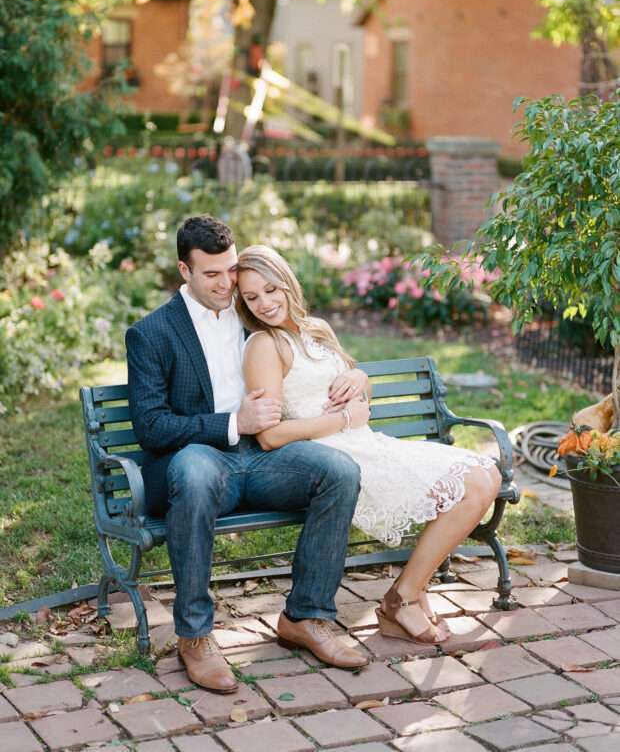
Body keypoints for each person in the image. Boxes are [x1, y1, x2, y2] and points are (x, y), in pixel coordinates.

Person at [126, 216, 370, 694]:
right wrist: (235, 423)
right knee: (195, 473)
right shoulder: (152, 333)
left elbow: (314, 350)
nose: (226, 284)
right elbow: (151, 427)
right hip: (196, 458)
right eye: (211, 274)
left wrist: (358, 377)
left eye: (231, 270)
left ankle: (306, 616)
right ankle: (194, 636)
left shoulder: (251, 315)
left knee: (339, 472)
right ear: (185, 271)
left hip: (260, 460)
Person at [236, 245, 502, 644]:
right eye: (252, 297)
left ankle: (407, 594)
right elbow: (269, 436)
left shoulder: (315, 329)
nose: (265, 304)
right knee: (475, 486)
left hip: (367, 443)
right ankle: (404, 600)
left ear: (287, 283)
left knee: (486, 475)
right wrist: (342, 419)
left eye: (271, 290)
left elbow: (353, 380)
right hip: (333, 460)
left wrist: (361, 381)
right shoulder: (264, 345)